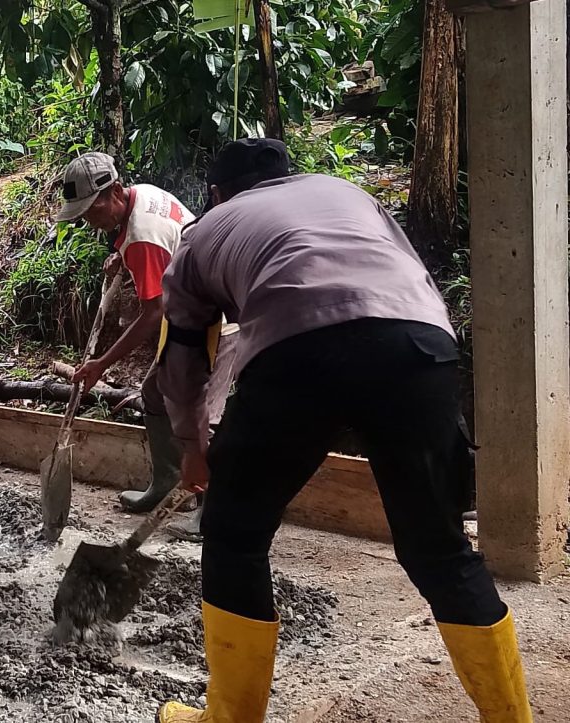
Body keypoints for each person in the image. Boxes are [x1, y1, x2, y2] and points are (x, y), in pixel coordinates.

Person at [156, 139, 529, 722]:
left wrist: (192, 444)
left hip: (297, 355)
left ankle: (229, 720)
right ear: (288, 175)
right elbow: (408, 276)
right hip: (417, 344)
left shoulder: (204, 232)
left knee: (234, 536)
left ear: (217, 193)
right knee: (441, 549)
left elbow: (182, 354)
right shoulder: (346, 193)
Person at [56, 153, 235, 514]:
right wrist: (121, 256)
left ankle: (211, 514)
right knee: (155, 393)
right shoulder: (144, 195)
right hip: (195, 314)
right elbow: (169, 243)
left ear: (116, 191)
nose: (91, 220)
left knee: (203, 416)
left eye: (93, 209)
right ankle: (168, 482)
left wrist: (101, 364)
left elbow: (153, 313)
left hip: (220, 323)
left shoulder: (141, 239)